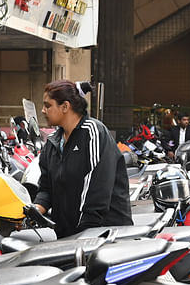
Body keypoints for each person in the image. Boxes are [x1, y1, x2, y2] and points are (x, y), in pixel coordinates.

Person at [33, 80, 133, 238]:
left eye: (48, 105)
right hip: (69, 235)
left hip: (103, 234)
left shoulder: (93, 133)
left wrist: (83, 232)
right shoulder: (53, 141)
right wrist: (37, 209)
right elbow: (47, 185)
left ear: (65, 107)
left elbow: (97, 188)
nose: (43, 110)